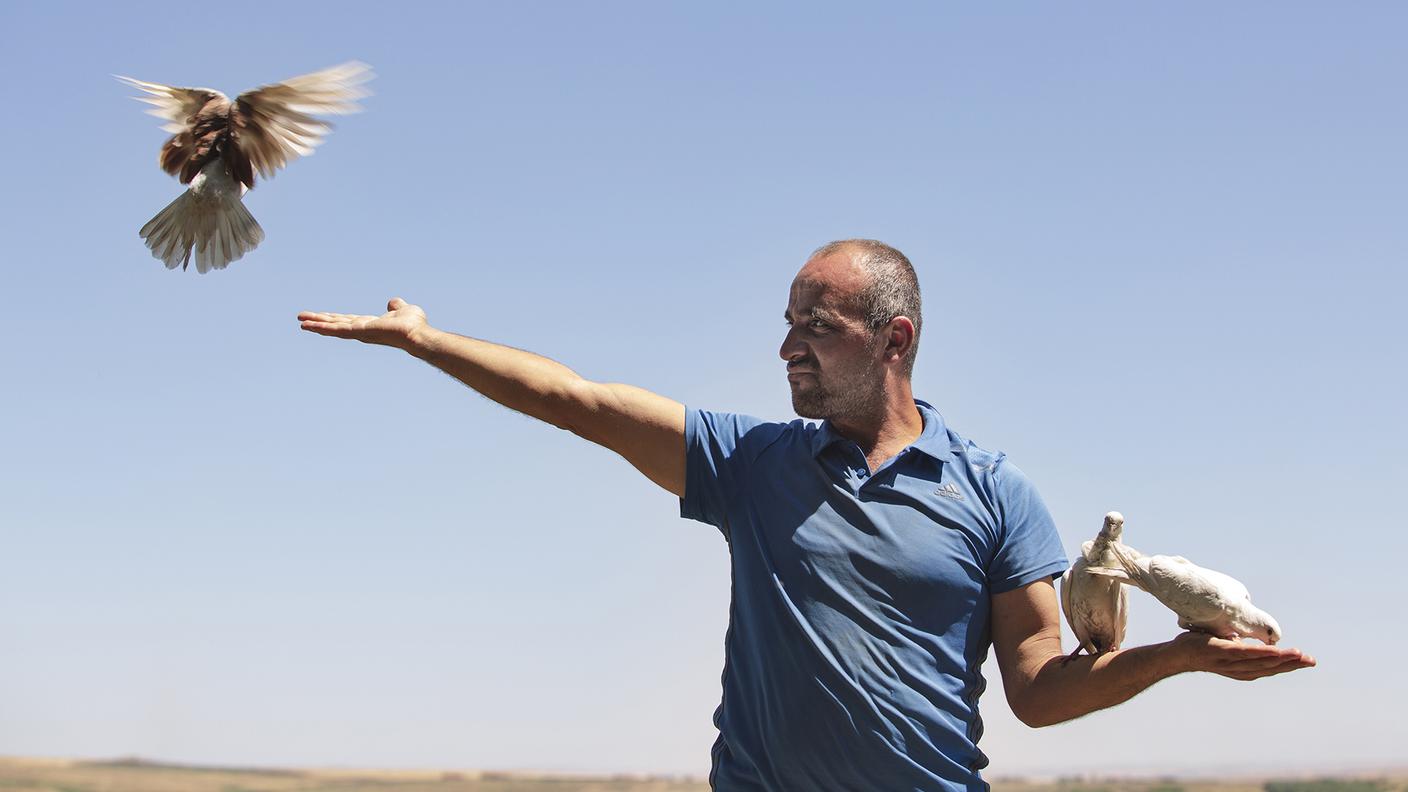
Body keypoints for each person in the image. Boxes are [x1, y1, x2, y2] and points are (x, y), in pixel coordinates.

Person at [298, 239, 1314, 791]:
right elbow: (576, 399)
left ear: (893, 338)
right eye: (786, 325)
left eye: (814, 328)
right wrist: (427, 343)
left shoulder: (995, 491)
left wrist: (1178, 657)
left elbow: (1041, 691)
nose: (787, 346)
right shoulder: (752, 462)